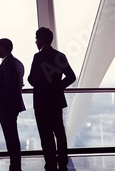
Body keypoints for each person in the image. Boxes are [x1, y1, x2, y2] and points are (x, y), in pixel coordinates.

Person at [28, 27, 76, 171]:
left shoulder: (38, 57)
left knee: (46, 135)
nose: (35, 42)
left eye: (37, 39)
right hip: (55, 101)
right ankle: (62, 162)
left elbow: (31, 79)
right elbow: (71, 77)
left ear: (41, 40)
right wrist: (57, 87)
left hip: (41, 101)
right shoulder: (59, 56)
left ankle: (50, 163)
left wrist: (41, 84)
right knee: (59, 133)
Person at [0, 38, 25, 171]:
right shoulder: (17, 63)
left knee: (11, 137)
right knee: (12, 136)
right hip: (12, 104)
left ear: (4, 48)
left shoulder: (8, 64)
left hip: (7, 105)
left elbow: (8, 86)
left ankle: (15, 165)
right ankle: (15, 164)